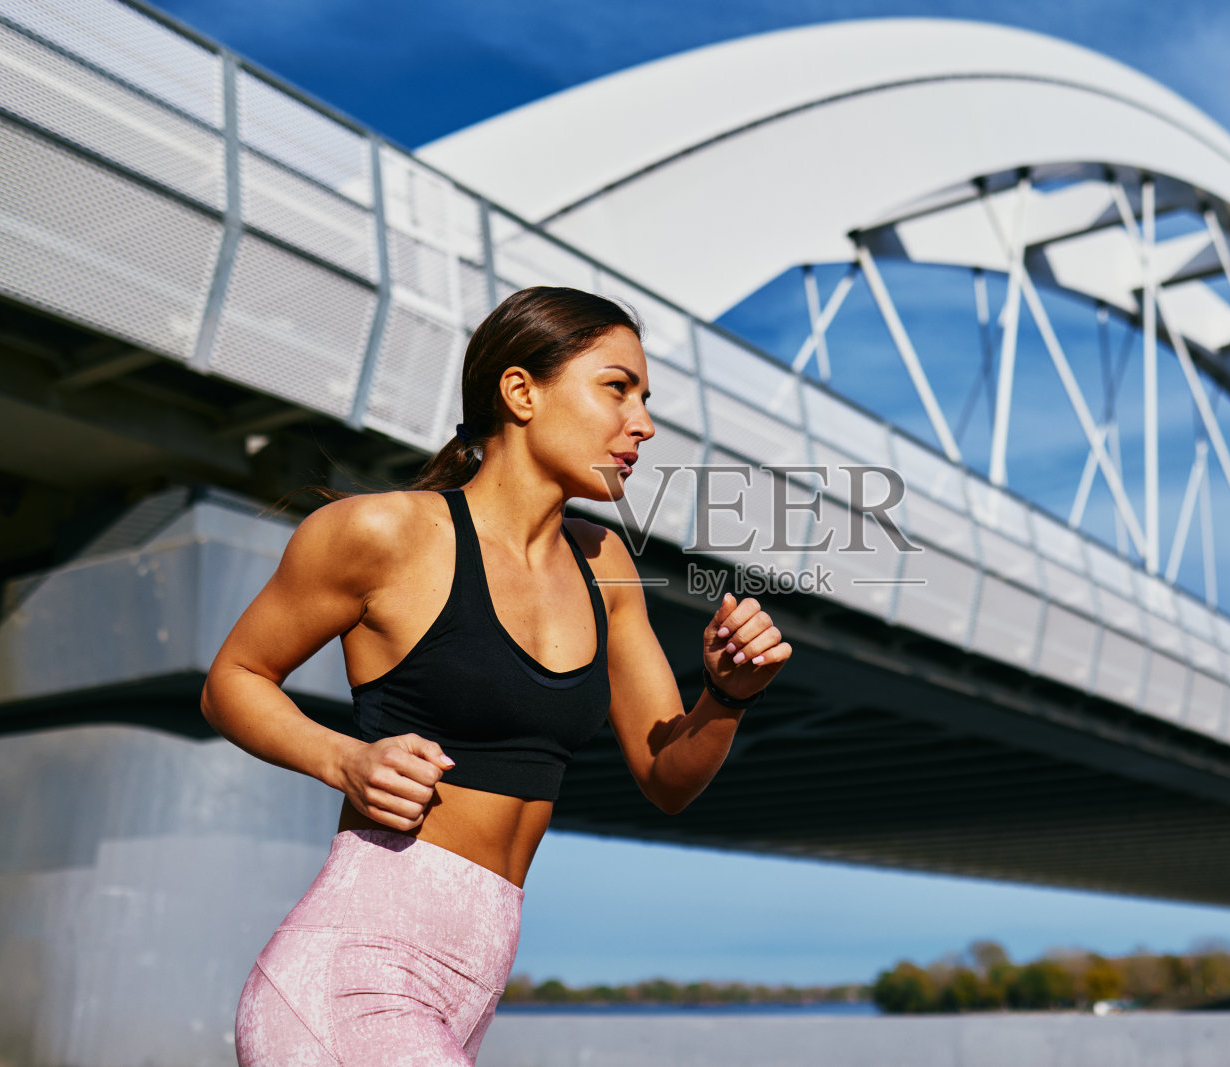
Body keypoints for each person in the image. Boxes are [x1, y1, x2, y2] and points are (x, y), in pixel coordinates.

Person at [202, 286, 791, 1065]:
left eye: (645, 398)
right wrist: (344, 758)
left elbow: (666, 775)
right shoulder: (382, 533)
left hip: (468, 995)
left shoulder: (603, 563)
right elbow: (232, 679)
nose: (642, 424)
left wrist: (727, 695)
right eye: (617, 388)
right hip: (349, 974)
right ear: (520, 391)